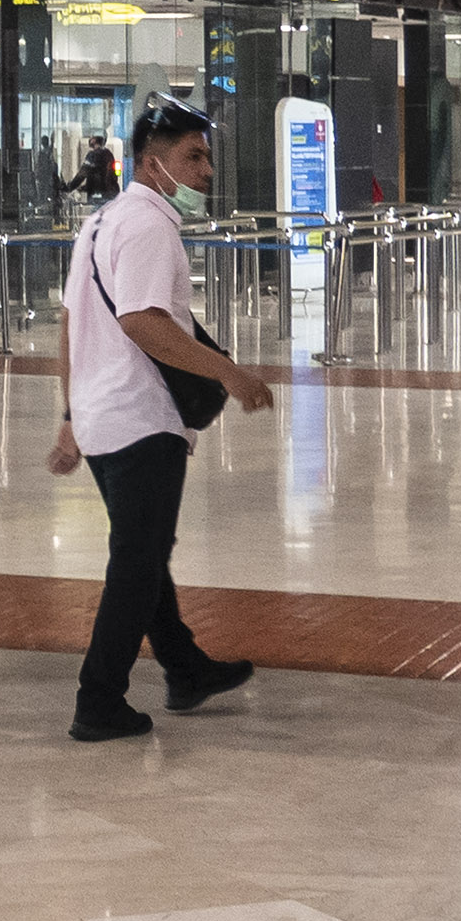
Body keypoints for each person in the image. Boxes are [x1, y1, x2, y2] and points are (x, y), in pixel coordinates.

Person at [46, 97, 276, 743]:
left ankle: (185, 666)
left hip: (102, 414)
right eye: (192, 157)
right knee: (138, 561)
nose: (205, 170)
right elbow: (142, 321)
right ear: (154, 163)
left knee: (145, 552)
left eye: (205, 156)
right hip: (139, 416)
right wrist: (229, 373)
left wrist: (71, 414)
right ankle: (99, 700)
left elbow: (72, 322)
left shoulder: (100, 222)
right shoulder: (149, 226)